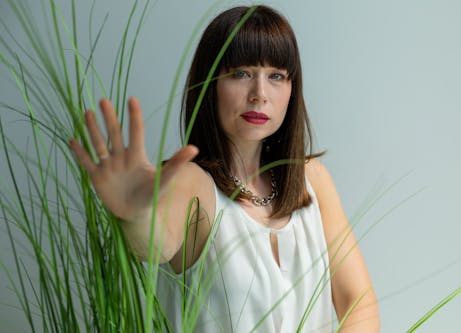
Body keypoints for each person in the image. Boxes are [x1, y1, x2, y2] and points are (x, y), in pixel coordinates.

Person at [70, 5, 380, 332]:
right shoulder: (192, 183)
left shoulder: (311, 180)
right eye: (240, 73)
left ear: (292, 88)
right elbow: (154, 242)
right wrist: (135, 214)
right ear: (209, 83)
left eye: (276, 76)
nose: (259, 94)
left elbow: (357, 300)